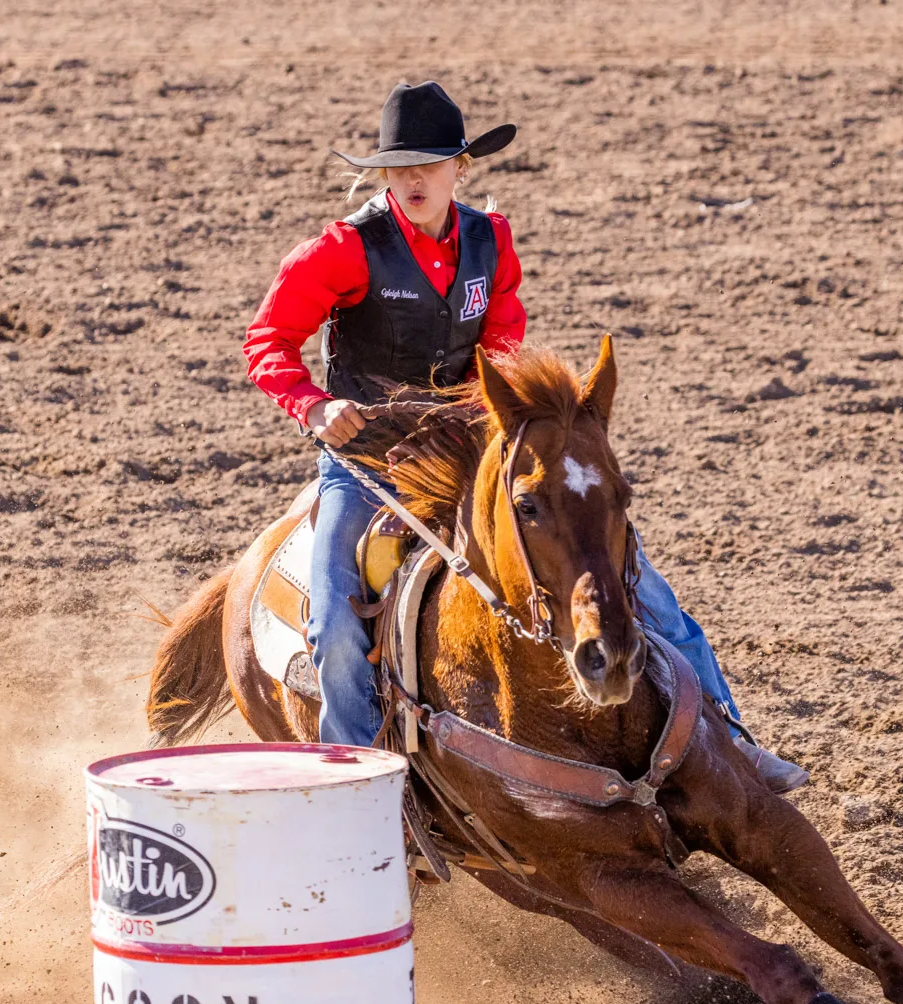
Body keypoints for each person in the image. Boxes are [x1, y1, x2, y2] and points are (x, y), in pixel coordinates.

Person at [242, 82, 807, 792]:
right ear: (384, 174)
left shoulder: (490, 240)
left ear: (461, 168)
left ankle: (732, 738)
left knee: (645, 588)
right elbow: (268, 339)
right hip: (366, 467)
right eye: (399, 166)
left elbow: (503, 341)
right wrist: (314, 407)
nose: (413, 179)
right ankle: (352, 792)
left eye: (430, 163)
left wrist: (495, 415)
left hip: (472, 454)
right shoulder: (341, 250)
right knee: (334, 622)